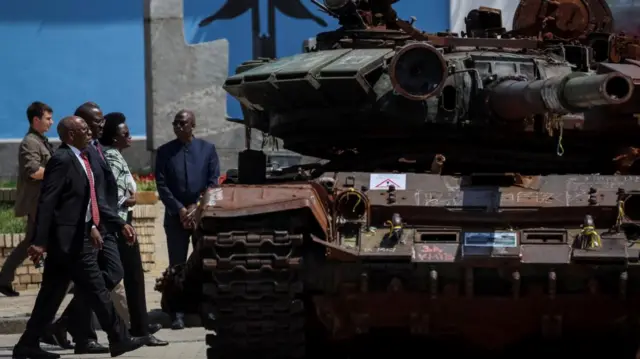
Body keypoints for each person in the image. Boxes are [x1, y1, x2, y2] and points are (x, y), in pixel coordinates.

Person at [12, 116, 148, 359]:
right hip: (70, 241)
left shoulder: (82, 158)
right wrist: (40, 240)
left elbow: (84, 202)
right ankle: (120, 338)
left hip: (75, 237)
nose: (89, 132)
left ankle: (27, 344)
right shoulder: (62, 159)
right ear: (70, 135)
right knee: (97, 288)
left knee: (51, 295)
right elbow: (48, 201)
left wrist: (100, 225)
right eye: (84, 129)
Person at [43, 102, 127, 354]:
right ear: (80, 125)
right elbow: (64, 198)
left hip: (98, 224)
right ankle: (97, 336)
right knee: (97, 280)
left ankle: (66, 327)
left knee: (98, 279)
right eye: (95, 122)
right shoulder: (75, 154)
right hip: (89, 229)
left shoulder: (94, 149)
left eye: (102, 121)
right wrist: (97, 223)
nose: (100, 126)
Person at [100, 112, 168, 346]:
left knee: (125, 277)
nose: (130, 137)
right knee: (130, 278)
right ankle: (140, 329)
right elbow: (111, 195)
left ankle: (140, 325)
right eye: (125, 134)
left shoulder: (115, 155)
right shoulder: (111, 157)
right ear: (114, 137)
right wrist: (127, 202)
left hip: (121, 222)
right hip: (119, 224)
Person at [155, 109, 220, 329]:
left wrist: (197, 207)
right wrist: (180, 209)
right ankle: (177, 312)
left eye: (183, 123)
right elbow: (162, 185)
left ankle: (206, 308)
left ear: (193, 125)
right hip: (176, 217)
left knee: (205, 262)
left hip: (202, 216)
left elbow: (213, 182)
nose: (178, 127)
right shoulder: (164, 152)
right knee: (177, 265)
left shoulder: (207, 150)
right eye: (175, 123)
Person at [0, 102, 54, 297]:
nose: (51, 122)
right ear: (36, 120)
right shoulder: (30, 142)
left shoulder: (40, 140)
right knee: (45, 241)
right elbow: (33, 171)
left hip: (43, 201)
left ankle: (4, 279)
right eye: (48, 118)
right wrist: (58, 173)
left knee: (32, 241)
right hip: (37, 202)